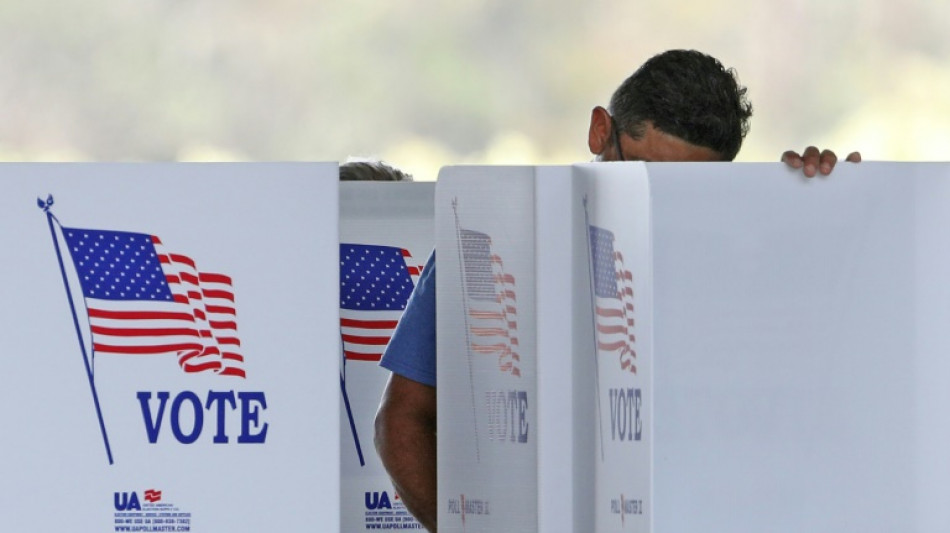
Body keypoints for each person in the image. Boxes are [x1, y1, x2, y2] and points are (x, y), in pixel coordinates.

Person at [373, 49, 860, 532]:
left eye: (688, 188)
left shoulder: (743, 253)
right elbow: (400, 422)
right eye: (642, 176)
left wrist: (831, 202)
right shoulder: (497, 233)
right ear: (600, 131)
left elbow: (830, 403)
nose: (655, 205)